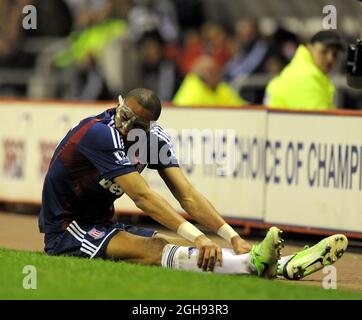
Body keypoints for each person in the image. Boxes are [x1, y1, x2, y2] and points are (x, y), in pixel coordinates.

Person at [39, 88, 347, 279]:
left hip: (103, 223)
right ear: (119, 105)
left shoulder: (153, 142)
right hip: (68, 227)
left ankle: (267, 264)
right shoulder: (98, 133)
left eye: (134, 124)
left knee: (178, 251)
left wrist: (231, 236)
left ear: (149, 129)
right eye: (123, 115)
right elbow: (142, 196)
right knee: (157, 250)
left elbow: (187, 195)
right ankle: (261, 266)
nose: (124, 126)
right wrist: (201, 236)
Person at [264, 30, 345, 110]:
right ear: (309, 48)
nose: (330, 59)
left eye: (335, 54)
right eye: (324, 51)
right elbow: (320, 120)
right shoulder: (305, 77)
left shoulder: (302, 71)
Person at [173, 56, 247, 107]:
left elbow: (242, 106)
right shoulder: (192, 92)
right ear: (203, 75)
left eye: (218, 72)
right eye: (213, 72)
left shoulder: (220, 87)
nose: (218, 76)